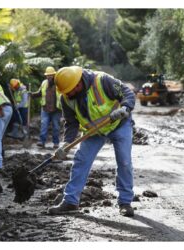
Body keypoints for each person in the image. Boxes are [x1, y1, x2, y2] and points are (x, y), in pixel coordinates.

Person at [48, 66, 136, 217]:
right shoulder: (66, 98)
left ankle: (125, 202)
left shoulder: (102, 80)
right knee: (81, 160)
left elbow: (127, 93)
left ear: (78, 83)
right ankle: (70, 201)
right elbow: (71, 123)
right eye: (66, 92)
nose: (69, 94)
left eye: (71, 90)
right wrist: (66, 144)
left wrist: (125, 107)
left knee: (124, 162)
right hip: (94, 131)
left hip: (119, 124)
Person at [31, 66, 62, 149]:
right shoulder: (44, 83)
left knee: (56, 127)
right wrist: (33, 94)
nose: (49, 77)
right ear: (46, 76)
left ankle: (56, 143)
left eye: (51, 75)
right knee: (44, 125)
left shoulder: (59, 83)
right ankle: (42, 141)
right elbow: (40, 93)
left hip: (56, 109)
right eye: (48, 75)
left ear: (54, 75)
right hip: (45, 109)